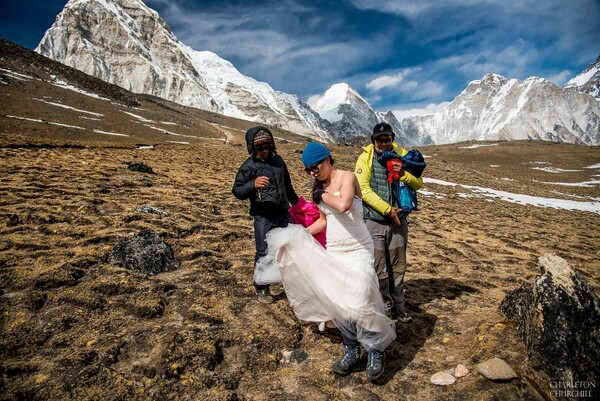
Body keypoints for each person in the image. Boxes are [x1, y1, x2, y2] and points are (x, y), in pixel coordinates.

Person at [254, 142, 396, 381]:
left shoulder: (347, 177)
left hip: (358, 248)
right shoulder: (319, 188)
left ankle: (374, 349)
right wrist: (299, 235)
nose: (313, 173)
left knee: (361, 297)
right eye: (308, 170)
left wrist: (322, 194)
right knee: (339, 301)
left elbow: (343, 205)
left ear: (328, 159)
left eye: (315, 167)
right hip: (336, 250)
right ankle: (351, 348)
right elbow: (324, 220)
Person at [354, 123, 424, 323]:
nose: (384, 144)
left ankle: (399, 307)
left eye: (387, 139)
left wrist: (403, 173)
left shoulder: (403, 154)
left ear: (392, 138)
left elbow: (419, 183)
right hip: (374, 222)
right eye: (379, 140)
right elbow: (363, 188)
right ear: (373, 141)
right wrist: (387, 209)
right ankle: (385, 308)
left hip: (398, 222)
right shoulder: (365, 158)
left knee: (398, 266)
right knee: (379, 268)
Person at [232, 126, 298, 304]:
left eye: (268, 146)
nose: (265, 151)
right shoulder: (249, 166)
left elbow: (288, 186)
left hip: (283, 212)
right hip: (263, 216)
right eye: (260, 148)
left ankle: (293, 284)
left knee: (290, 249)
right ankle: (261, 288)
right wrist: (252, 184)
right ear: (253, 149)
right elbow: (237, 191)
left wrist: (299, 204)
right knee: (264, 252)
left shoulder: (279, 161)